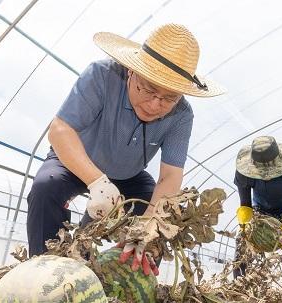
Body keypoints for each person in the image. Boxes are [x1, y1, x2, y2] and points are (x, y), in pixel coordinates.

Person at [26, 24, 224, 274]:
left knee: (159, 222)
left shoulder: (182, 115)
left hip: (128, 175)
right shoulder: (101, 75)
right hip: (76, 159)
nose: (154, 105)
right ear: (132, 71)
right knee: (46, 187)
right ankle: (42, 275)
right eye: (148, 89)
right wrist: (97, 181)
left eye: (168, 98)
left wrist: (148, 226)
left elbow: (170, 176)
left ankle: (124, 287)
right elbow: (60, 130)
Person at [234, 136, 282, 300]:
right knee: (241, 243)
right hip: (261, 211)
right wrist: (245, 227)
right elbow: (245, 206)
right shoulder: (243, 172)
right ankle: (239, 293)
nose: (267, 176)